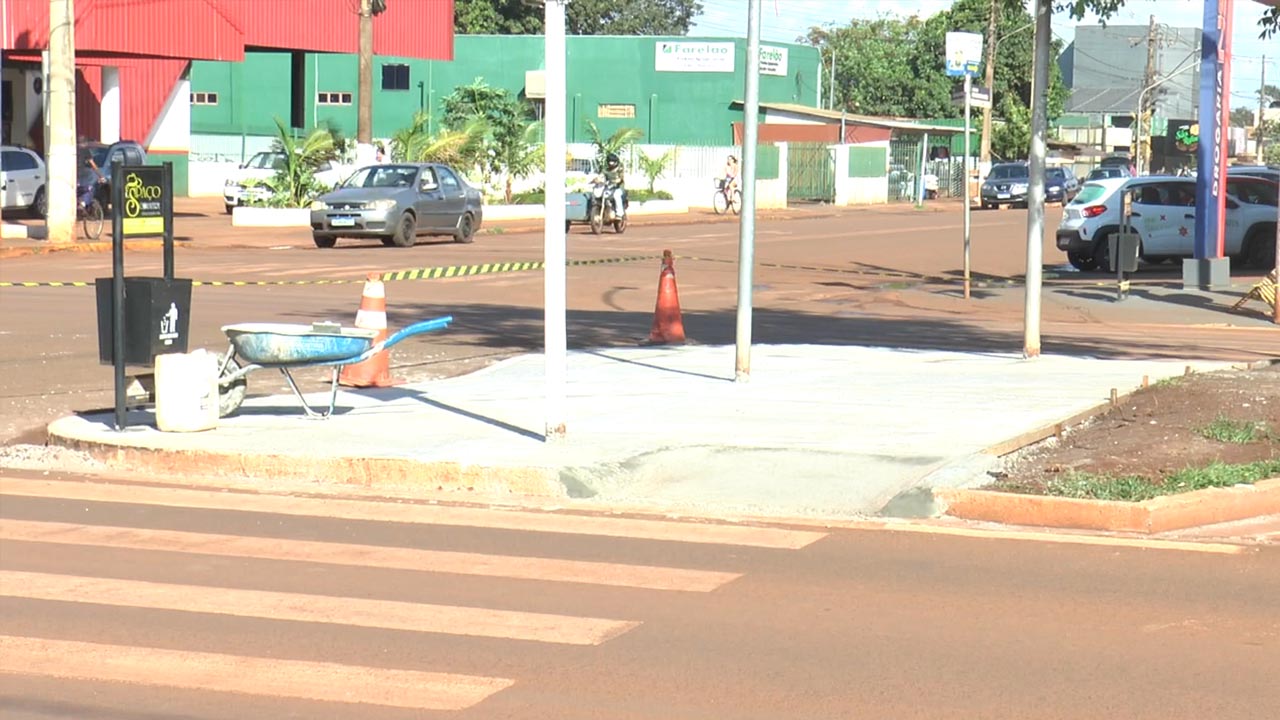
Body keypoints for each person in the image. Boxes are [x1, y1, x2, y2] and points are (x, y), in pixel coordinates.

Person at [601, 152, 626, 218]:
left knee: (616, 195)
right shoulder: (605, 170)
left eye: (612, 161)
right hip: (609, 188)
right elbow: (601, 176)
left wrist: (616, 181)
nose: (611, 163)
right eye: (609, 161)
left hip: (619, 188)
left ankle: (619, 213)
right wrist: (596, 180)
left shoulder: (619, 169)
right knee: (601, 195)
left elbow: (621, 178)